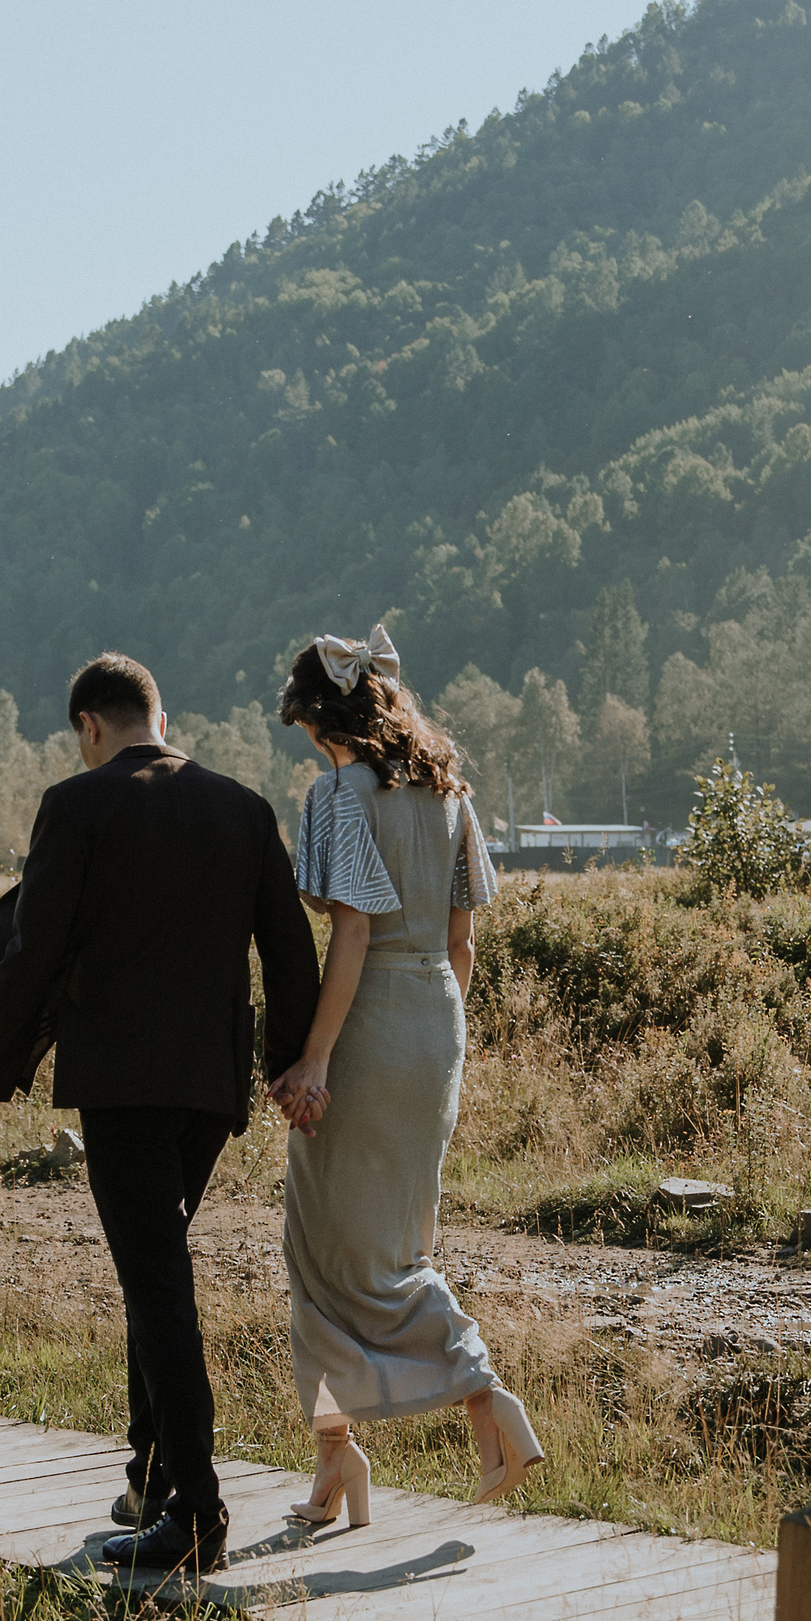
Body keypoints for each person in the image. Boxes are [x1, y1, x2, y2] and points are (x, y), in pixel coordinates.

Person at [0, 652, 319, 1575]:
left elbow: (33, 952)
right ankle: (151, 1481)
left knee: (158, 1285)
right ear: (159, 714)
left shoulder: (75, 807)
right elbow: (288, 948)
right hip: (209, 1088)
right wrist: (289, 1065)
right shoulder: (242, 806)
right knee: (152, 1268)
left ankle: (195, 1514)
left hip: (120, 1084)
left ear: (90, 725)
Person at [268, 625, 543, 1530]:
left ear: (322, 717)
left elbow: (350, 934)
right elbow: (462, 944)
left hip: (370, 1022)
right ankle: (334, 1461)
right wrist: (439, 1041)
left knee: (329, 1257)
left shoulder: (343, 794)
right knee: (375, 1248)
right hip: (436, 1024)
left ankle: (482, 1392)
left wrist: (316, 1055)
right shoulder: (448, 795)